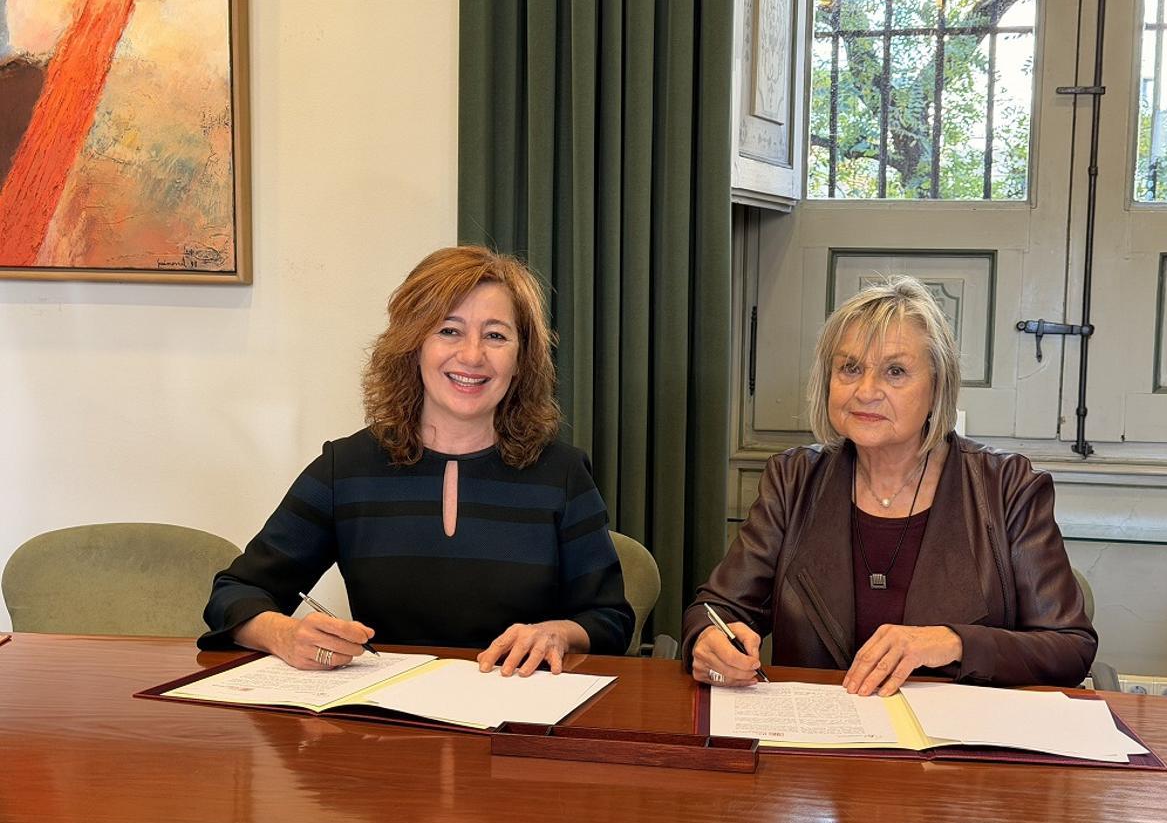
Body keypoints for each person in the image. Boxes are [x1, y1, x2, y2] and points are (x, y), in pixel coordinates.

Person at [199, 245, 634, 674]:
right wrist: (284, 634)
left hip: (517, 706)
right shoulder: (345, 469)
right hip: (384, 710)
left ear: (521, 359)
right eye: (449, 330)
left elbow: (610, 618)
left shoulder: (562, 474)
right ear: (413, 345)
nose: (472, 355)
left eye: (496, 336)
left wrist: (559, 632)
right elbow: (234, 593)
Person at [683, 277, 1097, 695]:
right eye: (850, 368)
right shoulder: (793, 480)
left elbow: (1069, 647)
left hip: (955, 732)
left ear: (937, 385)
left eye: (895, 372)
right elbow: (717, 609)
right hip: (820, 728)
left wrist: (953, 642)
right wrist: (708, 641)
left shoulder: (1007, 486)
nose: (866, 392)